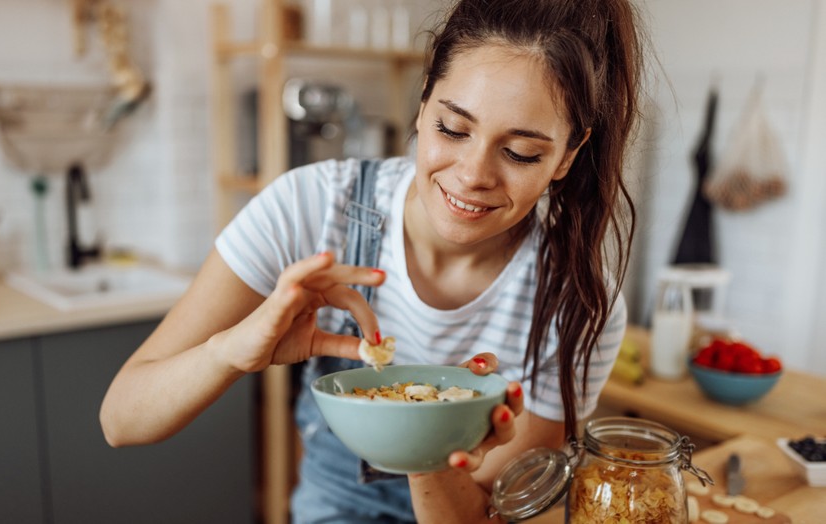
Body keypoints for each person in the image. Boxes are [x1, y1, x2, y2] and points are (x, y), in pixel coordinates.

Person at [100, 0, 644, 521]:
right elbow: (121, 419)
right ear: (424, 100)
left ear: (567, 156)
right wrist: (231, 351)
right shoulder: (313, 207)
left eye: (520, 153)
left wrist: (430, 435)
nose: (473, 174)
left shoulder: (578, 304)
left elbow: (483, 516)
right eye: (452, 128)